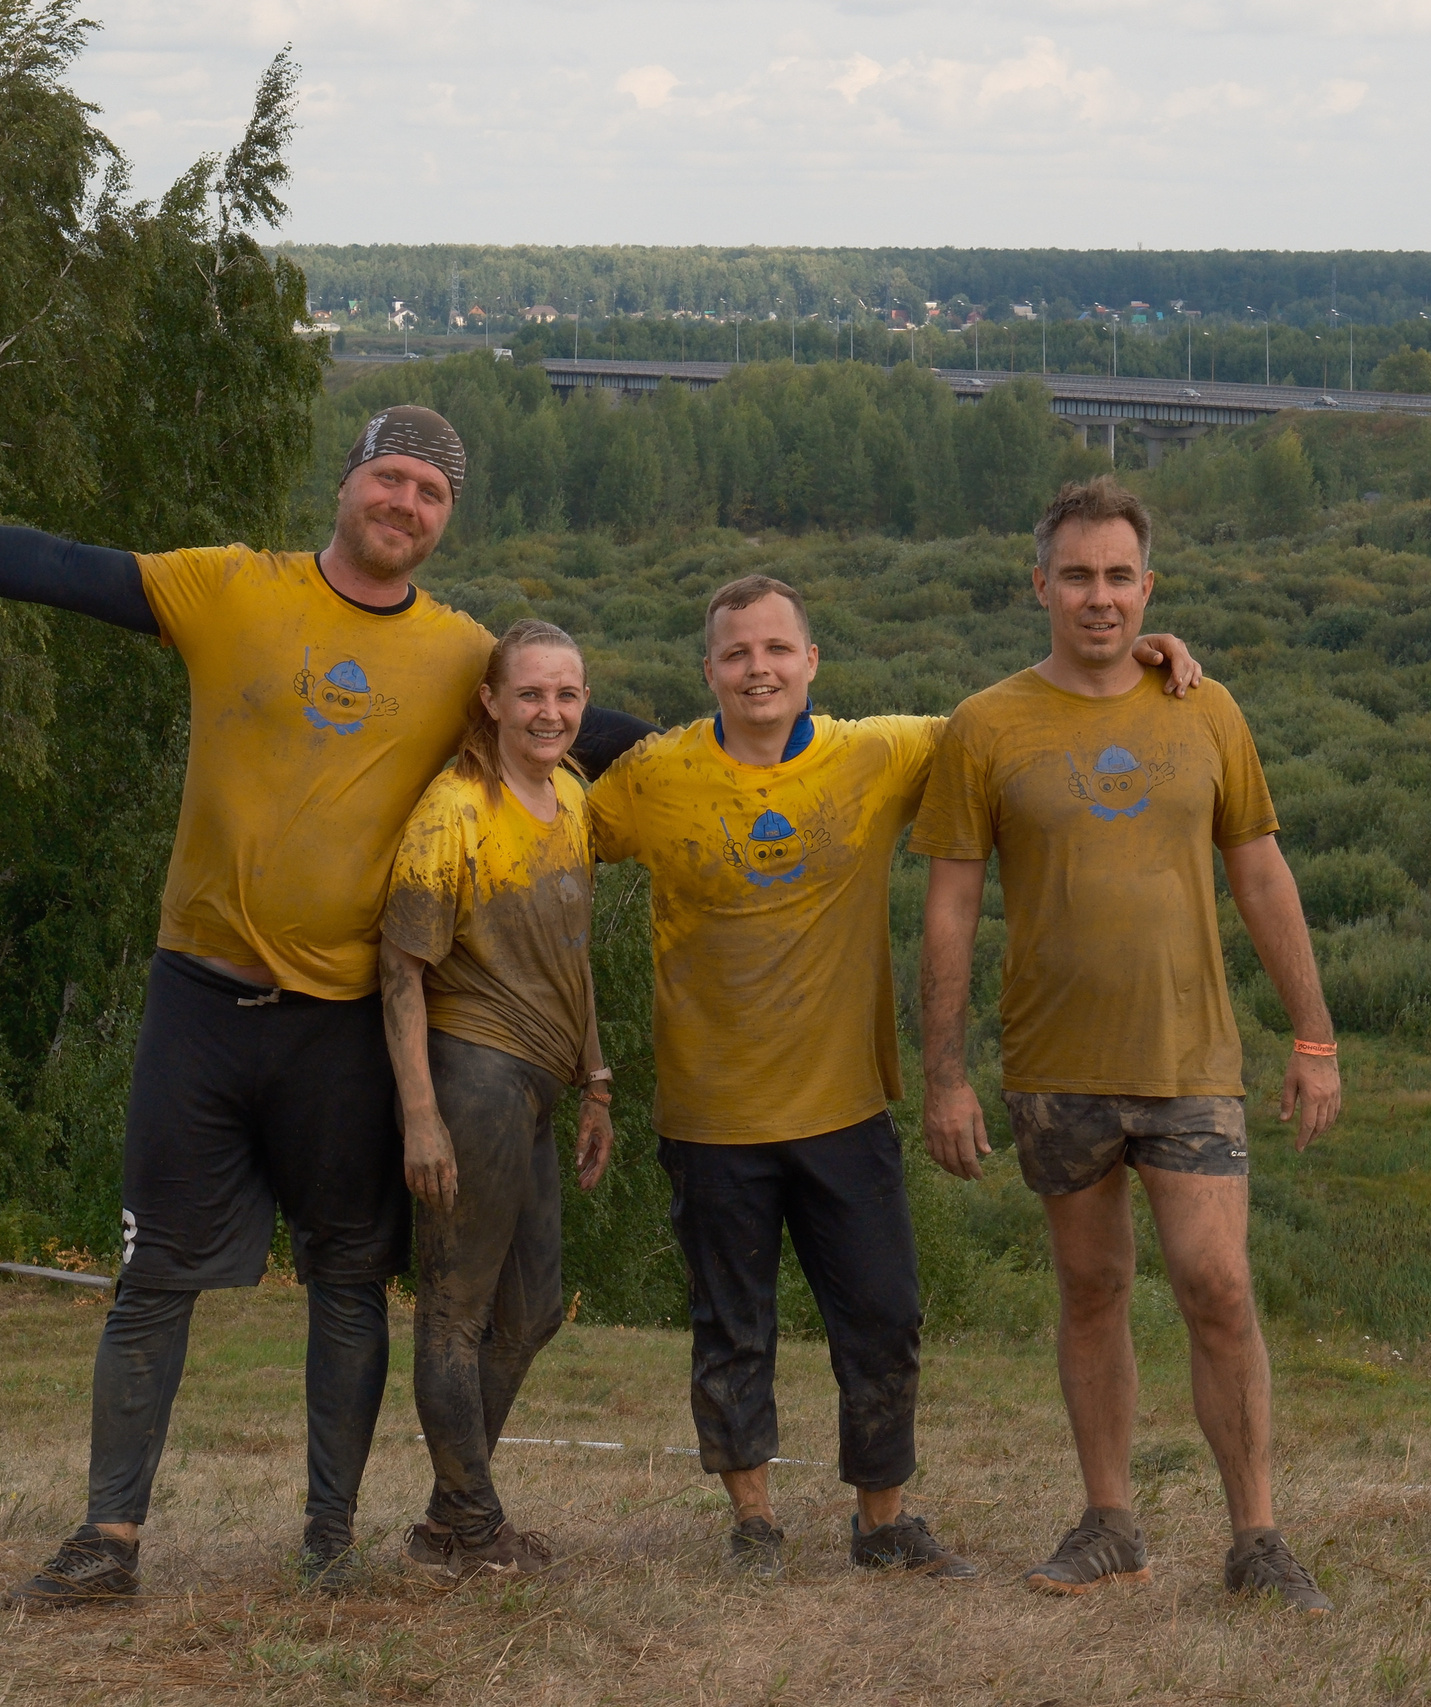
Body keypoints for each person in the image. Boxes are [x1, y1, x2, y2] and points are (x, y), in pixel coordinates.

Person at [0, 409, 657, 1606]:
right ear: (348, 482)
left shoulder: (462, 658)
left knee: (347, 1281)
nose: (406, 506)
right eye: (390, 479)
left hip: (342, 1020)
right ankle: (105, 1541)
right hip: (202, 1002)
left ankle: (326, 1544)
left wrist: (763, 758)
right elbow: (61, 570)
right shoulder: (230, 588)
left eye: (432, 494)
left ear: (447, 518)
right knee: (154, 1280)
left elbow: (602, 742)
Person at [586, 573, 1203, 1580]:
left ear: (811, 662)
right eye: (736, 653)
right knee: (730, 1325)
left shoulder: (874, 753)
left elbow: (1008, 720)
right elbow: (551, 813)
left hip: (844, 1104)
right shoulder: (654, 776)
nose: (758, 669)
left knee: (882, 1314)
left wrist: (1124, 655)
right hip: (708, 1110)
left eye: (777, 649)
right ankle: (753, 1528)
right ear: (708, 670)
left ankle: (883, 1523)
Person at [914, 476, 1343, 1614]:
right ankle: (1110, 1521)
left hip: (1191, 1059)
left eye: (1118, 577)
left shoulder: (1205, 708)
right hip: (1053, 1065)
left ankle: (1256, 1535)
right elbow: (950, 908)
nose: (1097, 598)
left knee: (1216, 1284)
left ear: (1147, 588)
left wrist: (1314, 1035)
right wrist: (944, 1076)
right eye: (1076, 576)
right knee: (1091, 1285)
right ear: (1038, 584)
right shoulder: (985, 725)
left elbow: (1259, 871)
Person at [378, 619, 614, 1580]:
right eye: (529, 694)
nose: (549, 711)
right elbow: (399, 967)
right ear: (492, 699)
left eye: (566, 694)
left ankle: (450, 1515)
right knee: (455, 1312)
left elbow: (573, 955)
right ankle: (471, 1526)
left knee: (534, 1309)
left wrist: (596, 1081)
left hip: (543, 1083)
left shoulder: (571, 795)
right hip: (471, 1072)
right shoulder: (454, 810)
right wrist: (419, 1114)